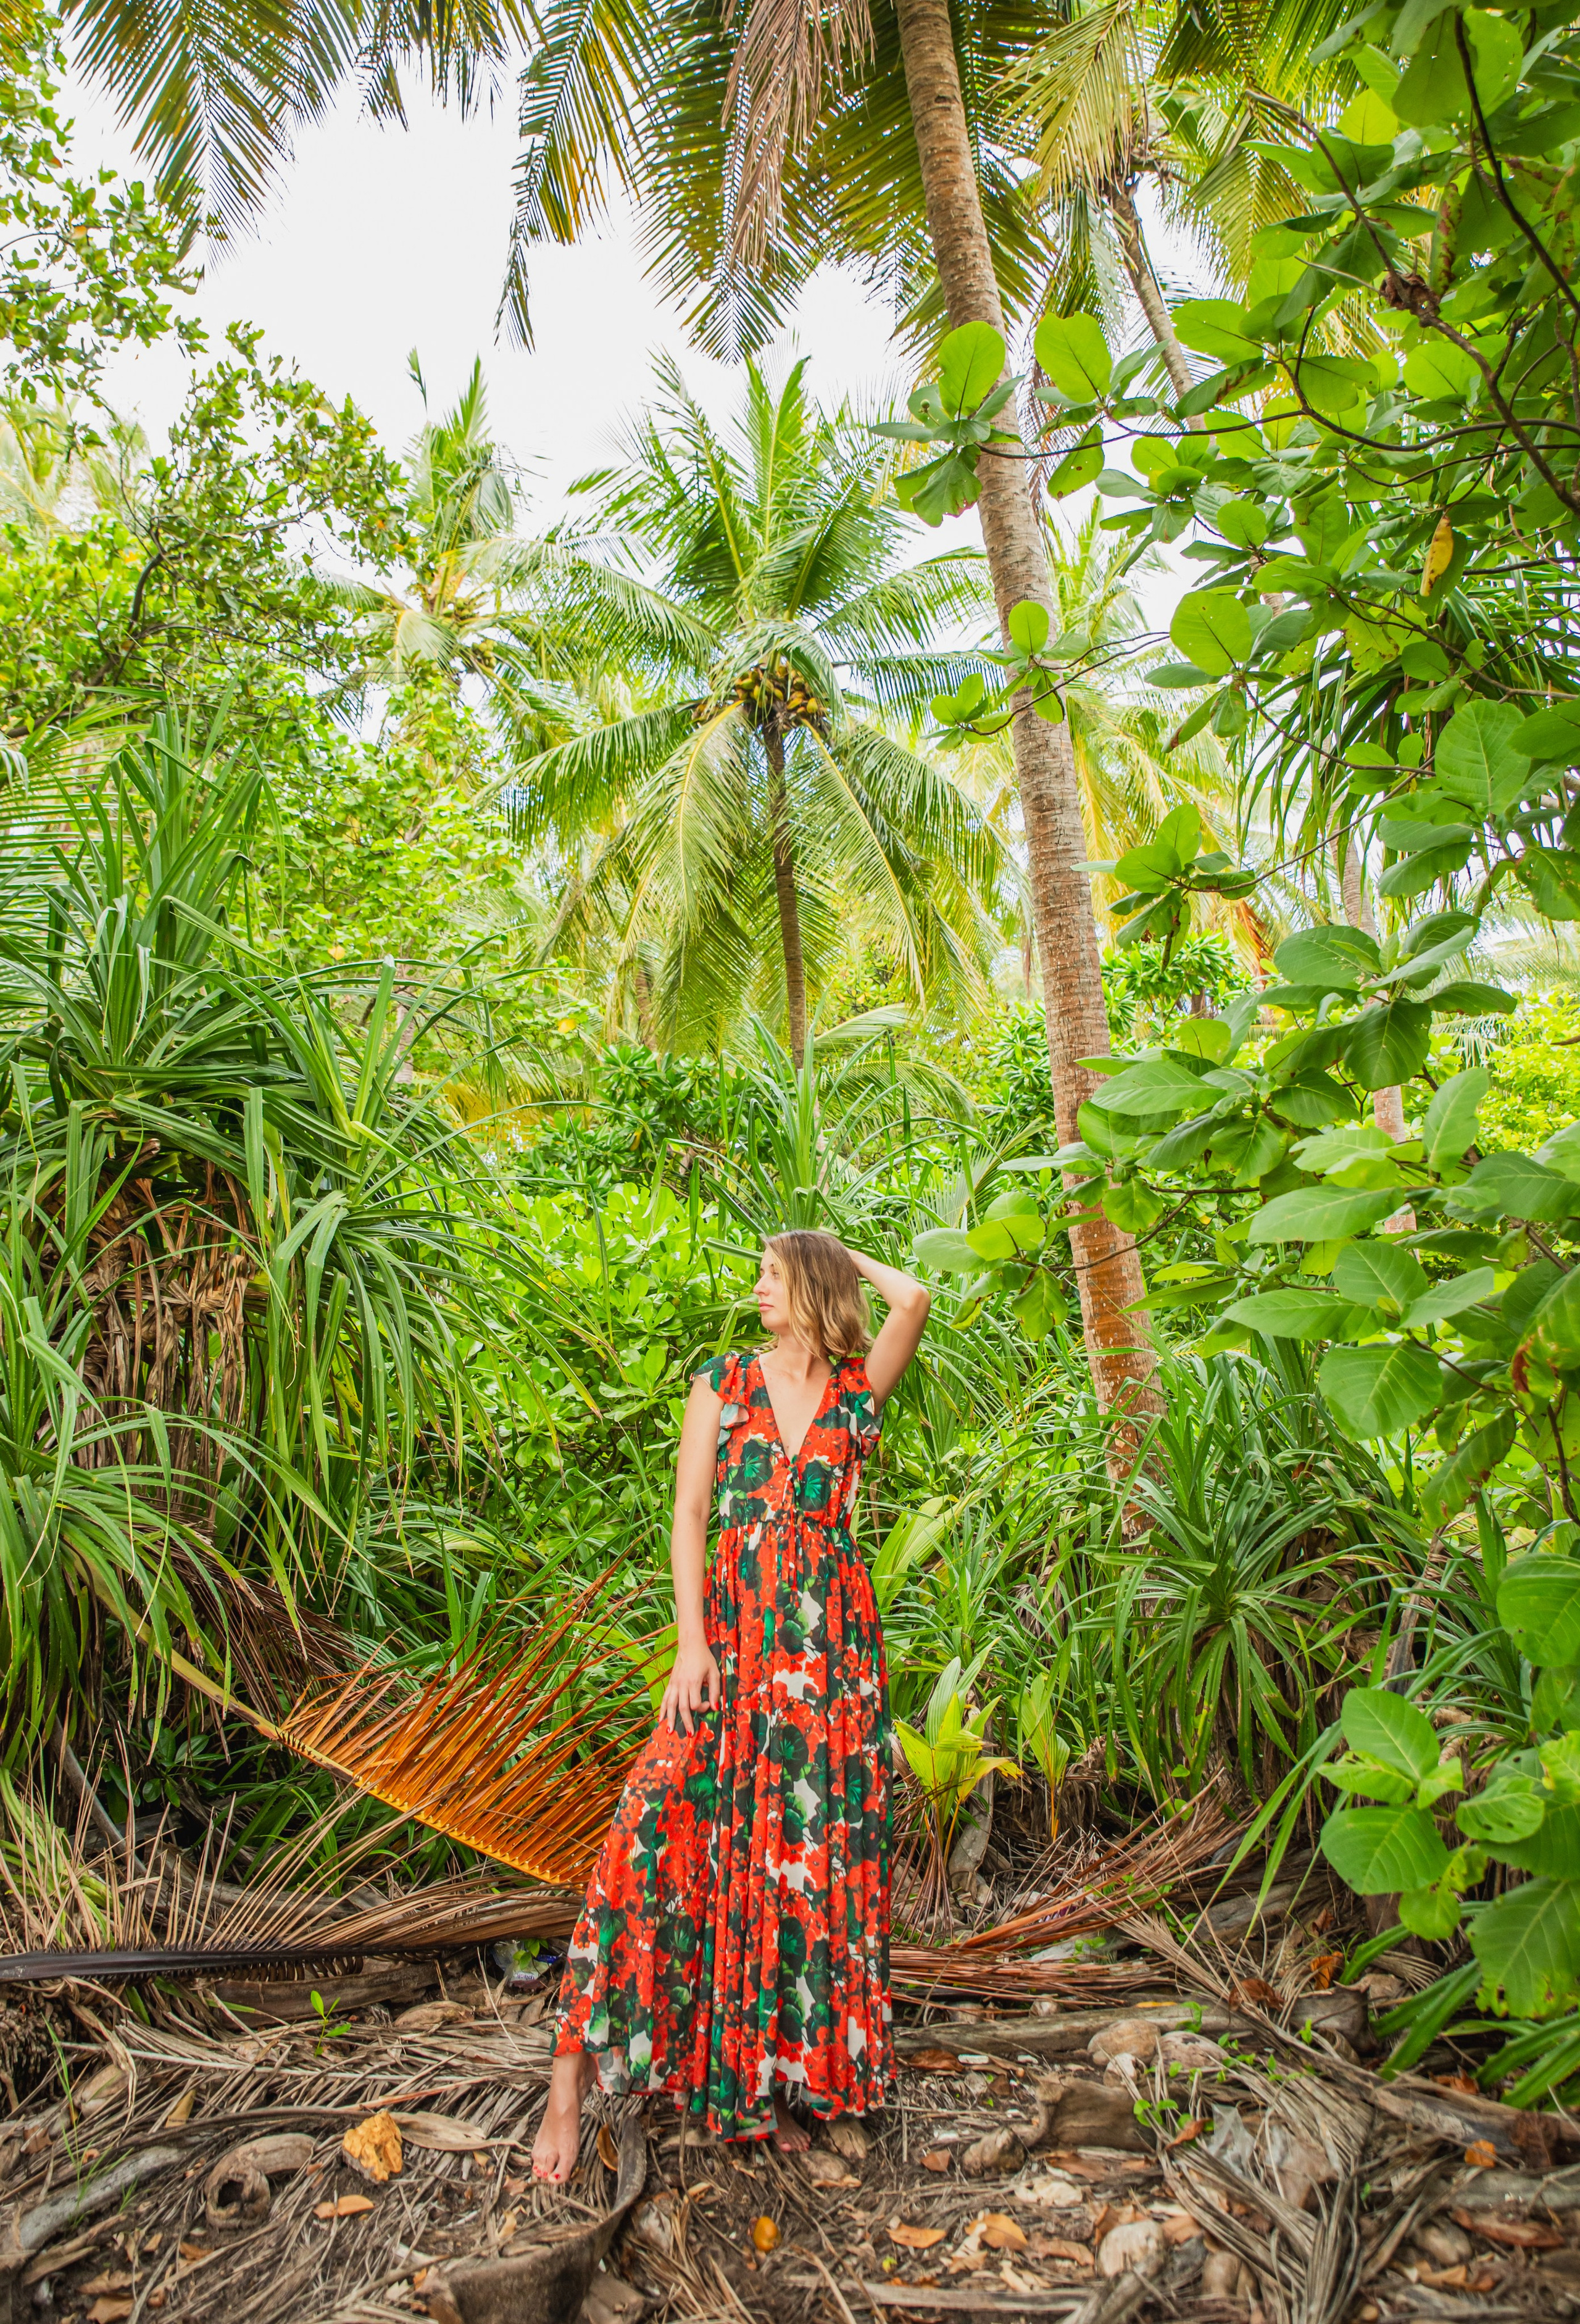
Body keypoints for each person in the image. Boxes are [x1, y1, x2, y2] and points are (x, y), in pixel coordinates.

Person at [531, 1230, 931, 2178]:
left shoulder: (854, 1394)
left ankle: (766, 2081)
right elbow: (689, 1518)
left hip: (832, 1670)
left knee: (797, 1868)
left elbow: (911, 1297)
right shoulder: (723, 1381)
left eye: (773, 1274)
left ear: (815, 1288)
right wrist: (691, 1641)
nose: (756, 1288)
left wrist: (832, 1246)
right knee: (649, 1828)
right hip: (733, 1655)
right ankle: (567, 2075)